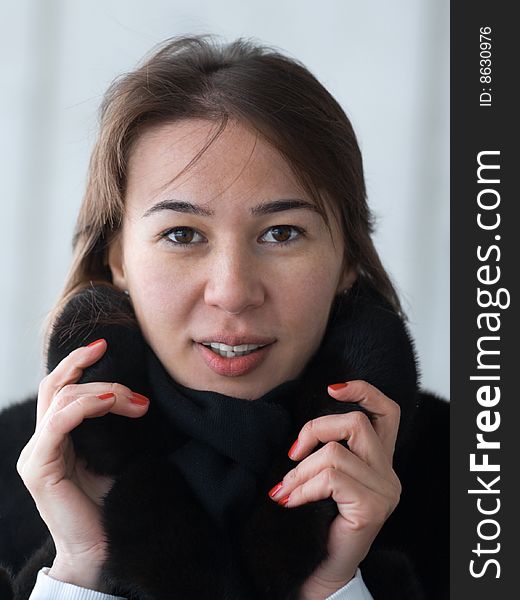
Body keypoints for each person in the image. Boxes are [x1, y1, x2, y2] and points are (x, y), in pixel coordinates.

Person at [0, 35, 449, 600]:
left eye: (282, 233)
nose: (233, 292)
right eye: (182, 234)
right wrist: (80, 571)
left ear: (346, 262)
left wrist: (336, 587)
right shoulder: (17, 468)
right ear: (117, 258)